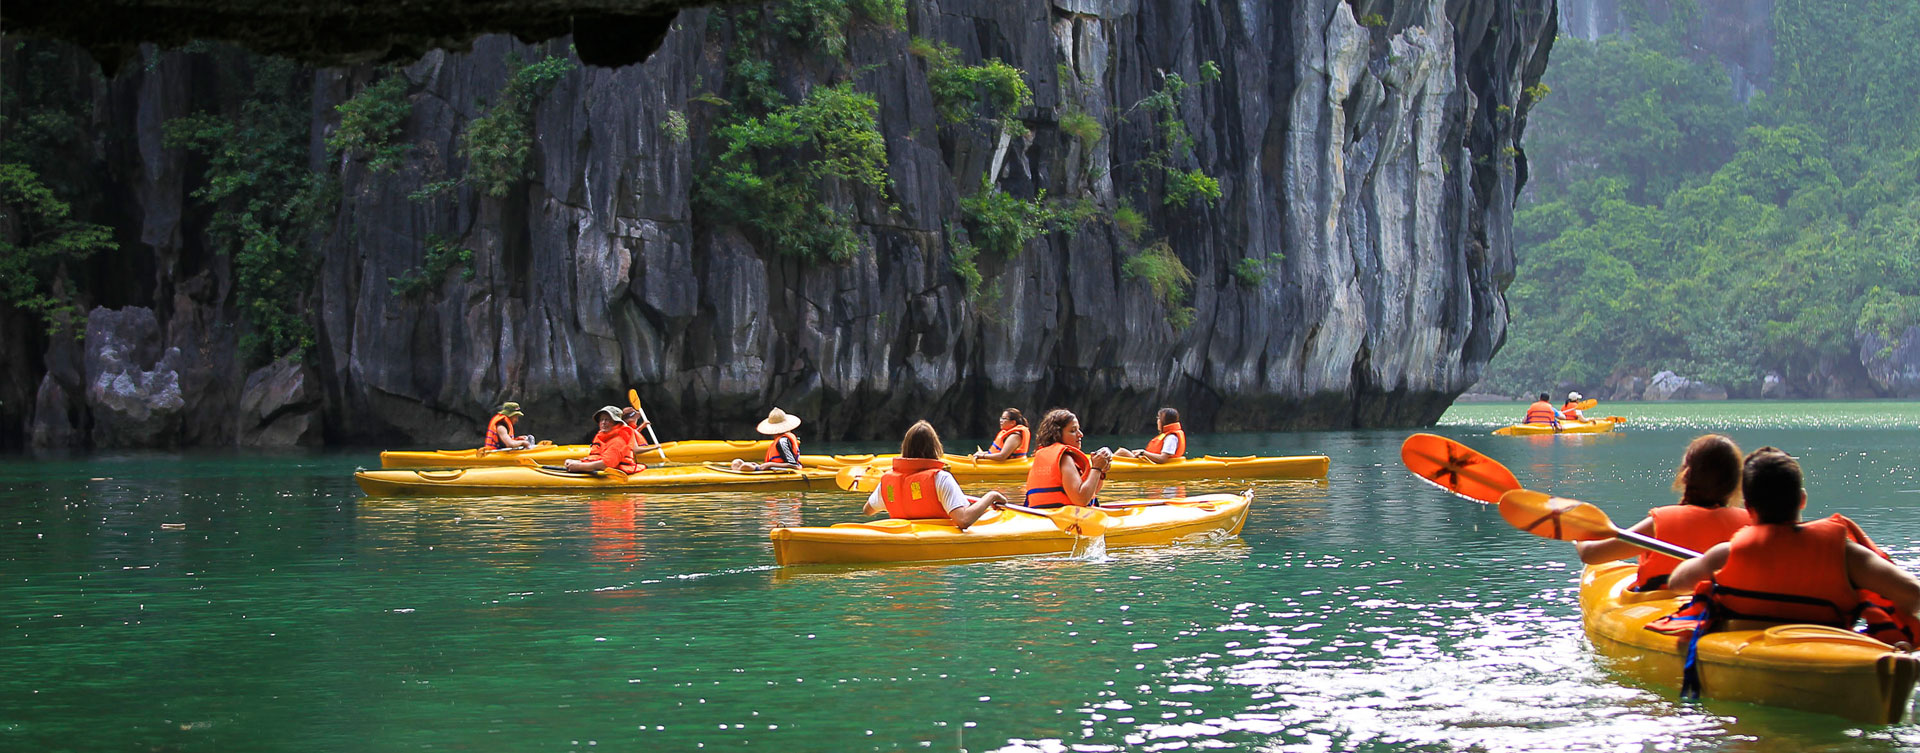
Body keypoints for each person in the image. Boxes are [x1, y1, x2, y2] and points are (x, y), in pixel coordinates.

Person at [1668, 448, 1920, 633]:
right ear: (1802, 500)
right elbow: (1913, 594)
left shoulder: (1727, 553)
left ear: (1748, 507)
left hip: (1749, 648)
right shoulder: (1845, 555)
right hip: (1830, 653)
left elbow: (1677, 583)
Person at [1574, 434, 1749, 591]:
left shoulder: (1661, 522)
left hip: (1658, 606)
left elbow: (1591, 554)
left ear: (1685, 476)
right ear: (1735, 484)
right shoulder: (1750, 525)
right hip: (1725, 609)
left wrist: (1580, 532)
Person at [864, 420, 1005, 528]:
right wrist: (991, 496)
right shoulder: (941, 478)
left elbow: (868, 510)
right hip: (933, 541)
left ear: (905, 447)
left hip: (903, 535)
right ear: (935, 447)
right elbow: (963, 520)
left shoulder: (887, 480)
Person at [1023, 409, 1111, 508]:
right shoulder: (1065, 459)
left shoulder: (1043, 454)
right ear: (1057, 434)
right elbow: (1081, 500)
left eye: (1078, 429)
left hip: (1042, 514)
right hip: (1064, 518)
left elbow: (1089, 493)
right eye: (1073, 431)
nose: (1080, 434)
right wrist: (1096, 468)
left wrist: (1100, 472)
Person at [564, 406, 643, 474]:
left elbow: (606, 464)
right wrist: (579, 462)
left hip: (616, 472)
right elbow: (598, 458)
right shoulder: (604, 437)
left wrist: (579, 466)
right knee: (569, 461)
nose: (603, 423)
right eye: (601, 420)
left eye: (607, 420)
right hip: (602, 470)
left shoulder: (618, 441)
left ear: (616, 423)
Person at [731, 407, 803, 472]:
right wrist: (765, 465)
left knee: (745, 466)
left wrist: (769, 464)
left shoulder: (783, 441)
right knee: (737, 462)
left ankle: (754, 469)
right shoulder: (781, 439)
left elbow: (794, 465)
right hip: (774, 467)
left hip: (785, 470)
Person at [1112, 408, 1186, 464]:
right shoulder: (1168, 435)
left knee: (1122, 452)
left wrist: (1143, 452)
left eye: (1159, 419)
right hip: (1150, 462)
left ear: (1164, 422)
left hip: (1153, 464)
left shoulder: (1171, 437)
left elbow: (1163, 459)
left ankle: (1104, 468)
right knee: (1122, 452)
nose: (1157, 421)